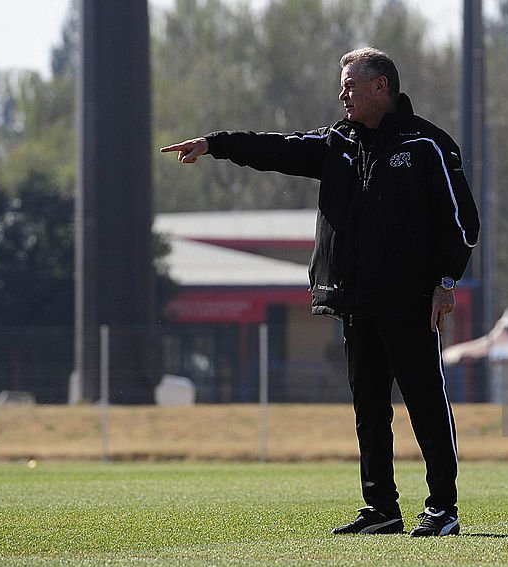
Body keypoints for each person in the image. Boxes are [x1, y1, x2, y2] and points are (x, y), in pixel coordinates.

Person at [162, 47, 480, 537]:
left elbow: (463, 222)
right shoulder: (338, 142)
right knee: (369, 411)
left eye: (351, 84)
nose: (342, 93)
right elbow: (277, 150)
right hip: (355, 301)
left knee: (426, 405)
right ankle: (382, 508)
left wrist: (444, 282)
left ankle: (443, 509)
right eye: (342, 85)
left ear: (382, 87)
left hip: (411, 302)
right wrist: (215, 144)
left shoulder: (427, 145)